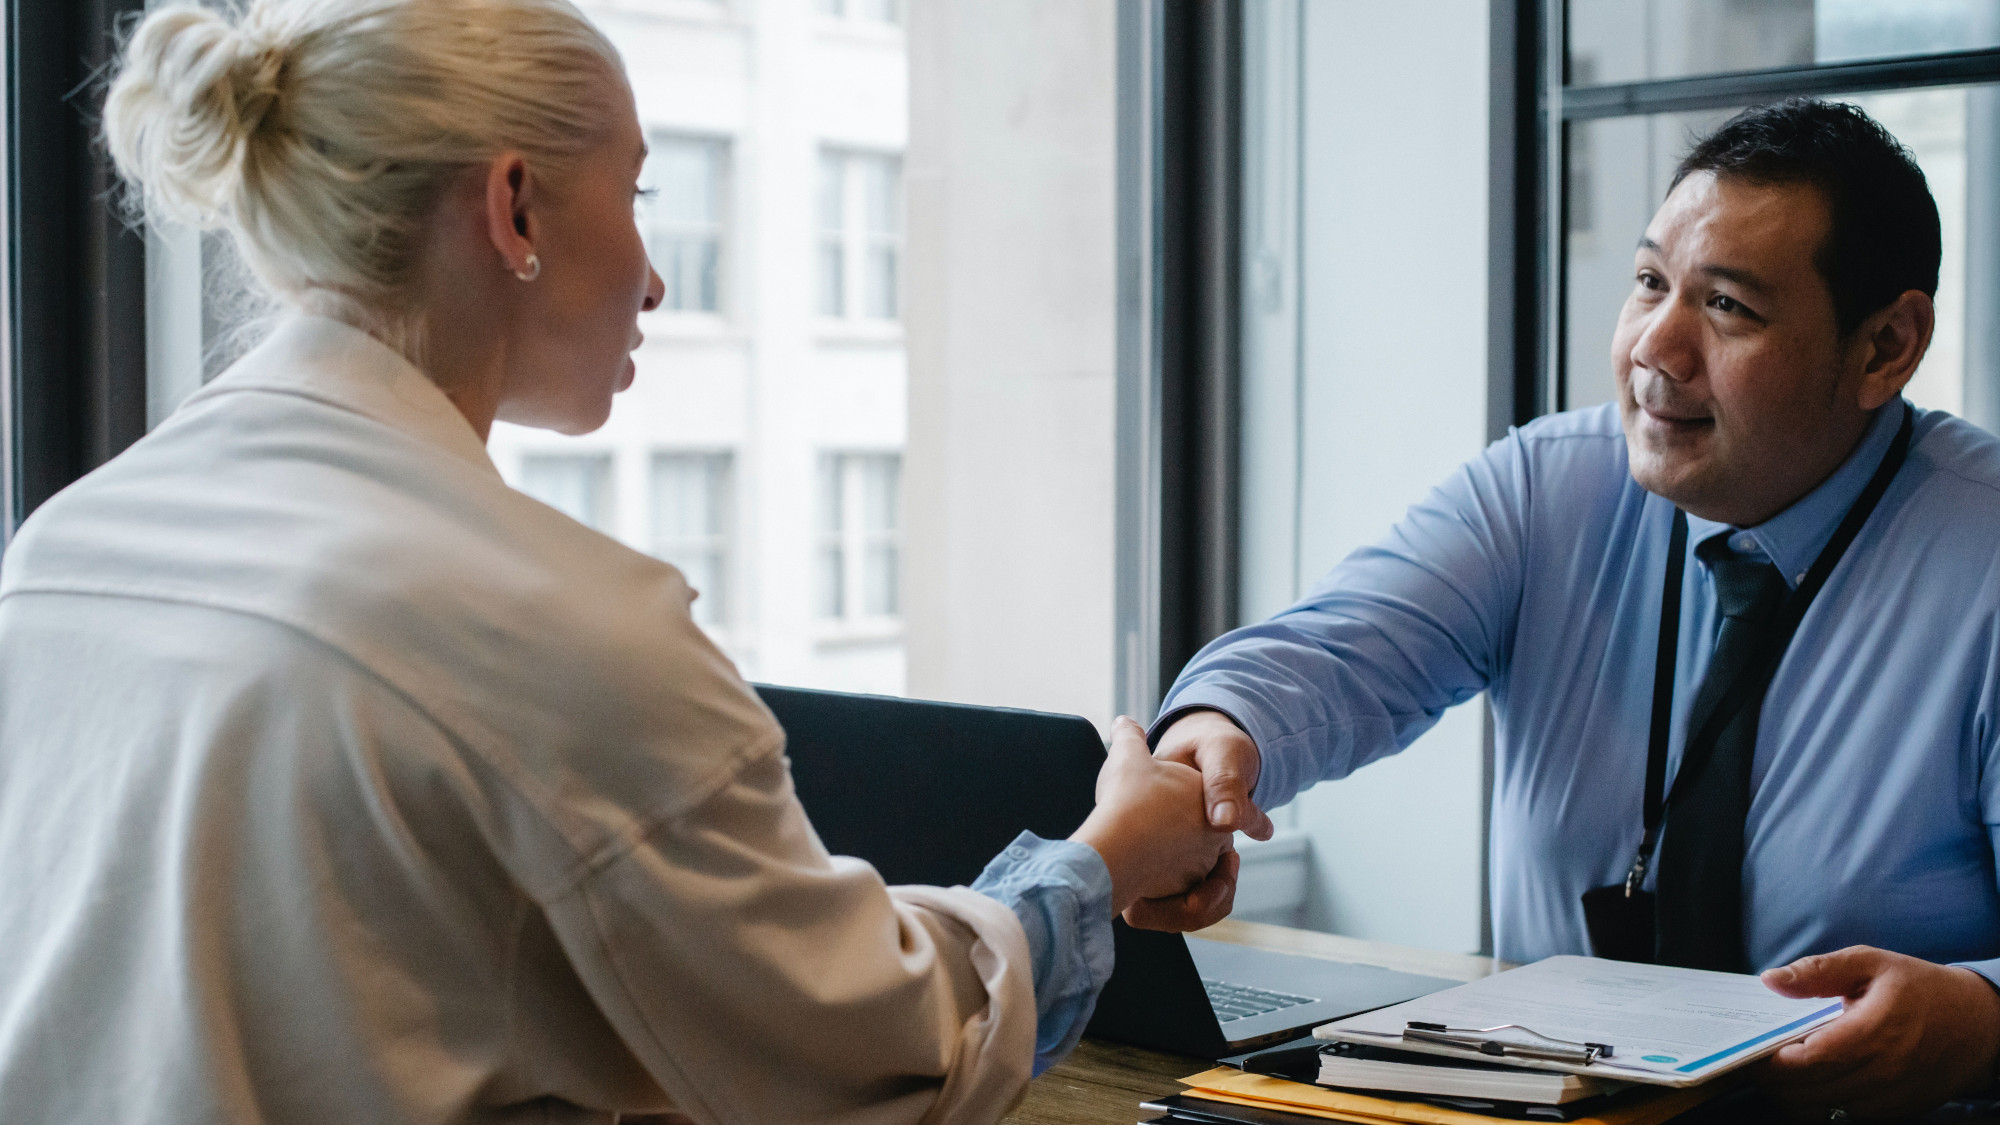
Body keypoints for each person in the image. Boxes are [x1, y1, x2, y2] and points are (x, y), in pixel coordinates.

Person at [0, 2, 1231, 1123]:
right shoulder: (555, 624)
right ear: (515, 206)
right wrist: (1102, 861)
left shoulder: (61, 550)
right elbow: (875, 1059)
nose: (654, 278)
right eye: (638, 193)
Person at [1138, 97, 2000, 1119]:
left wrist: (1981, 1019)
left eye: (1726, 307)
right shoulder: (1549, 486)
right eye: (1647, 285)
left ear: (1884, 347)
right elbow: (1332, 656)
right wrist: (1211, 741)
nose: (1653, 349)